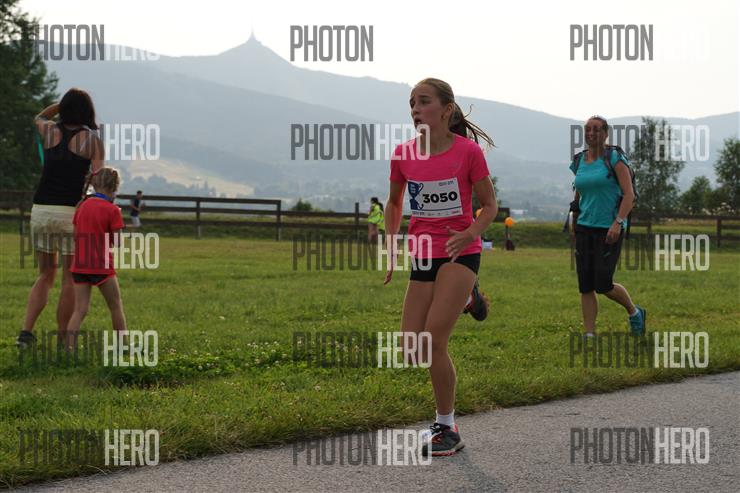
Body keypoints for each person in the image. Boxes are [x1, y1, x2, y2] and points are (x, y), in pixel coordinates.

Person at [384, 78, 497, 456]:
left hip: (460, 251)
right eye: (411, 103)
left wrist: (470, 233)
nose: (415, 109)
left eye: (424, 102)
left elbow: (489, 206)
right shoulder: (403, 154)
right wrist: (391, 243)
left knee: (433, 341)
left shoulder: (468, 153)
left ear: (446, 109)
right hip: (423, 252)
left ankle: (447, 427)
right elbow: (394, 203)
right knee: (412, 347)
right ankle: (468, 298)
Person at [17, 89, 104, 349]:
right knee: (69, 278)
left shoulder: (49, 131)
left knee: (45, 274)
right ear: (88, 111)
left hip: (41, 210)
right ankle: (64, 337)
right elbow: (98, 180)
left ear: (64, 109)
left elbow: (38, 117)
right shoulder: (93, 141)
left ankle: (26, 333)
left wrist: (59, 105)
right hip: (70, 213)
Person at [569, 115, 646, 338]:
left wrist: (618, 222)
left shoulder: (615, 158)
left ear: (605, 133)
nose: (591, 133)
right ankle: (589, 334)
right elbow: (579, 192)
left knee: (603, 283)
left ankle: (635, 312)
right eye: (587, 129)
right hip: (584, 227)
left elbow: (629, 195)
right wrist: (575, 221)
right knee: (585, 284)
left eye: (596, 129)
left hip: (609, 228)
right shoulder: (579, 160)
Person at [65, 167, 127, 351]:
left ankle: (69, 349)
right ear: (114, 187)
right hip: (101, 266)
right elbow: (118, 243)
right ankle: (124, 346)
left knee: (80, 310)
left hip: (80, 265)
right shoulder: (112, 210)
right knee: (115, 306)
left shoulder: (82, 206)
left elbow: (75, 235)